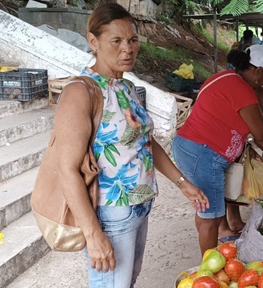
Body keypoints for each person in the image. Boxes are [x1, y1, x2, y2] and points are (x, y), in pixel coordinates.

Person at [54, 3, 209, 287]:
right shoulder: (80, 92)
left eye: (133, 40)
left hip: (139, 206)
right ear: (93, 41)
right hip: (110, 213)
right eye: (116, 41)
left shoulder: (124, 87)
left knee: (126, 281)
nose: (128, 49)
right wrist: (92, 233)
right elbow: (66, 170)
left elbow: (145, 142)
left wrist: (182, 182)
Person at [172, 44, 263, 255]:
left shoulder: (225, 77)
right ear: (258, 71)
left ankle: (209, 258)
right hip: (203, 154)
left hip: (194, 149)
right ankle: (209, 269)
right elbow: (262, 136)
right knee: (210, 217)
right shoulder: (241, 89)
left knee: (205, 209)